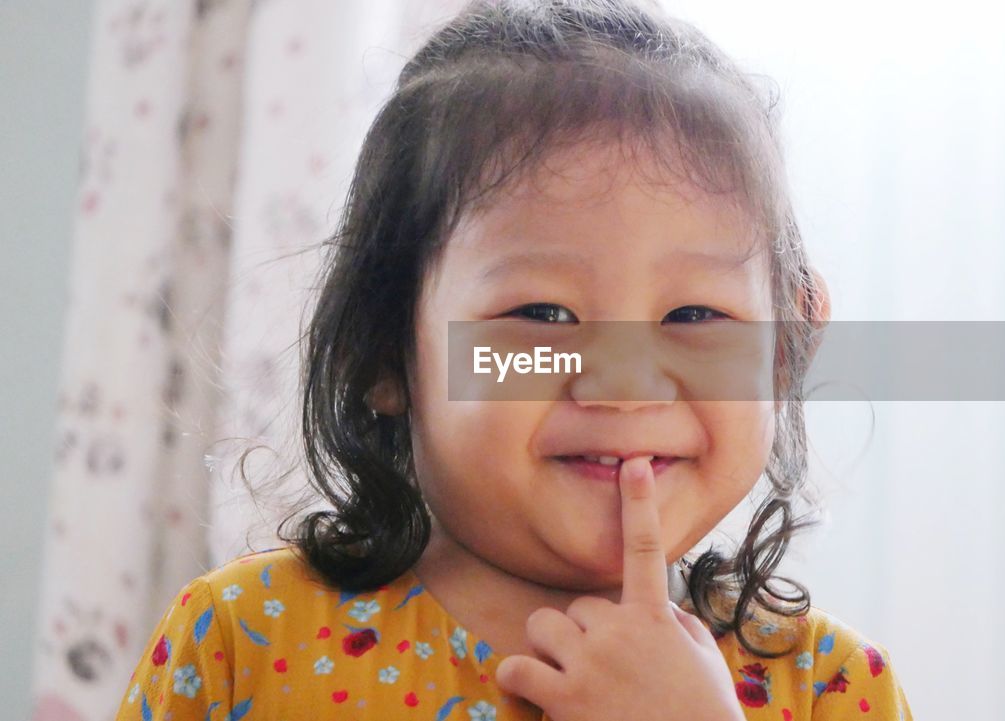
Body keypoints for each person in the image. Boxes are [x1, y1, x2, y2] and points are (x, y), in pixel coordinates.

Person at [114, 1, 913, 719]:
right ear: (384, 353)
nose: (625, 382)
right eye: (543, 314)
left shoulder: (833, 688)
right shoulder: (244, 637)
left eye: (695, 315)